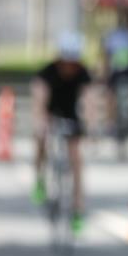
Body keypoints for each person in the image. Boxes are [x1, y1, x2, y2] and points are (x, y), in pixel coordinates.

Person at [31, 31, 92, 234]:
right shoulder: (47, 72)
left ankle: (77, 209)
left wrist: (90, 127)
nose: (69, 67)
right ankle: (39, 178)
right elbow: (39, 99)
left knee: (76, 160)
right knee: (40, 139)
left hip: (71, 114)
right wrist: (41, 122)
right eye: (66, 61)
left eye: (73, 62)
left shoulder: (83, 72)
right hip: (51, 112)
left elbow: (89, 101)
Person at [102, 6, 128, 135]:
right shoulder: (115, 35)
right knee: (111, 96)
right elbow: (107, 55)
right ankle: (111, 122)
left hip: (127, 69)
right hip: (119, 69)